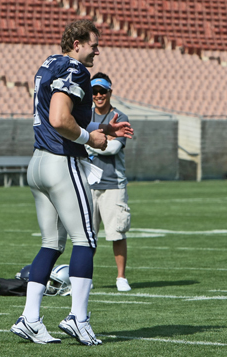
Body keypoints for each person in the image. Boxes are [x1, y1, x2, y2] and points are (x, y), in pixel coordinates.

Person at [10, 20, 133, 346]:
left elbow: (61, 115)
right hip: (61, 161)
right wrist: (90, 136)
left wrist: (103, 130)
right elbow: (60, 119)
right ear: (77, 42)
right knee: (86, 240)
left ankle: (30, 319)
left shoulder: (48, 64)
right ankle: (78, 317)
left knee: (51, 243)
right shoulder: (76, 70)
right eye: (94, 43)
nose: (98, 49)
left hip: (37, 162)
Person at [85, 72, 132, 292]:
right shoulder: (85, 116)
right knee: (86, 236)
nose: (98, 95)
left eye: (102, 91)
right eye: (94, 91)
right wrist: (100, 140)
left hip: (113, 183)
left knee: (117, 232)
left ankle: (121, 277)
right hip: (87, 183)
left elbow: (113, 148)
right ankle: (85, 277)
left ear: (110, 92)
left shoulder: (120, 116)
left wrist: (88, 143)